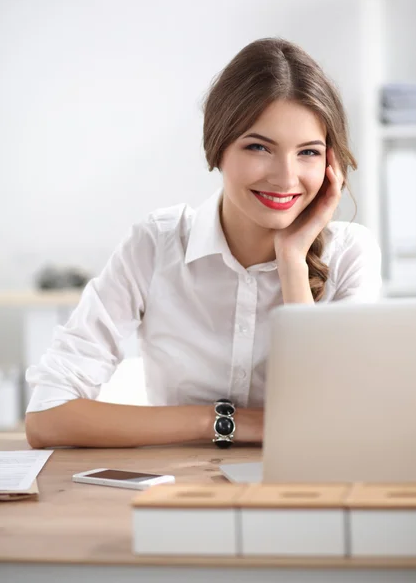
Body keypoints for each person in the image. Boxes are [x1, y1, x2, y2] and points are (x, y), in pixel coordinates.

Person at [25, 37, 382, 450]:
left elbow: (333, 423)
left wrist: (292, 263)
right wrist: (219, 420)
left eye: (307, 152)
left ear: (330, 164)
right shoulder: (155, 245)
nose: (286, 178)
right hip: (177, 489)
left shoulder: (352, 254)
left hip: (304, 487)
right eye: (258, 147)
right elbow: (47, 416)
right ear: (218, 147)